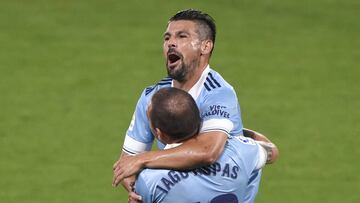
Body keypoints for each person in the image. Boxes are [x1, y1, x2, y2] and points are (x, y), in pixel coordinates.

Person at [112, 9, 278, 202]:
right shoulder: (152, 97)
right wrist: (137, 187)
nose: (171, 42)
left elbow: (207, 151)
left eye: (182, 36)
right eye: (167, 38)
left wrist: (143, 163)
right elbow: (127, 164)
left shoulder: (218, 92)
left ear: (205, 46)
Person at [134, 87, 278, 203]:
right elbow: (271, 151)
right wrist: (227, 132)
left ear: (159, 134)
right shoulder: (239, 150)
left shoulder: (149, 181)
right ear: (199, 121)